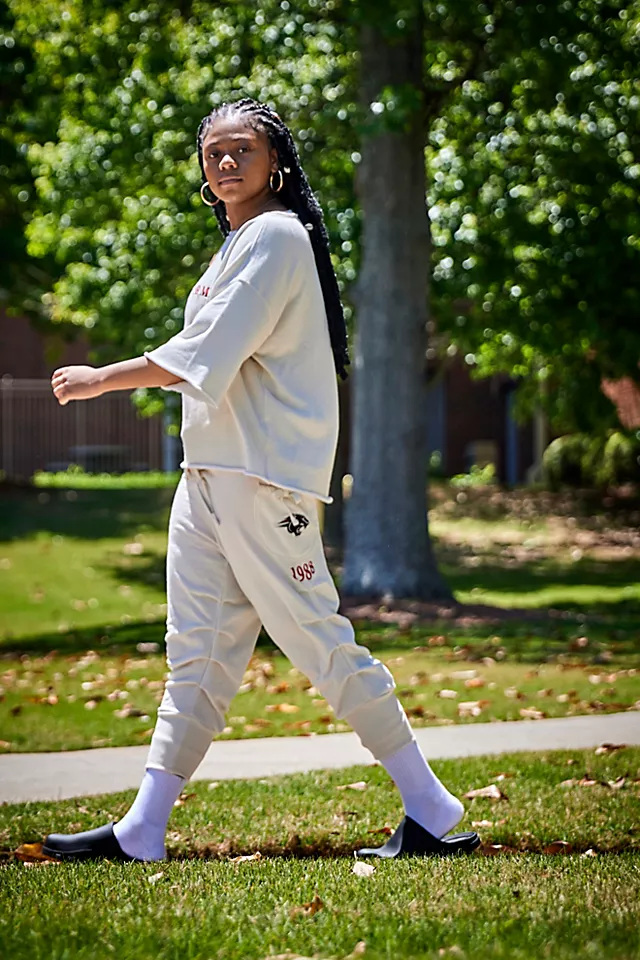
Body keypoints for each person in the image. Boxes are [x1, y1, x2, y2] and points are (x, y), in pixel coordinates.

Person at [43, 98, 479, 862]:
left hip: (264, 480)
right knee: (196, 655)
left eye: (241, 148)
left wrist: (100, 378)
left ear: (274, 161)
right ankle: (143, 830)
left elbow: (206, 348)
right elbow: (208, 347)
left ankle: (433, 809)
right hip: (209, 475)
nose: (225, 162)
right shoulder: (237, 245)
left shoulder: (278, 236)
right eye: (213, 152)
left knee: (318, 642)